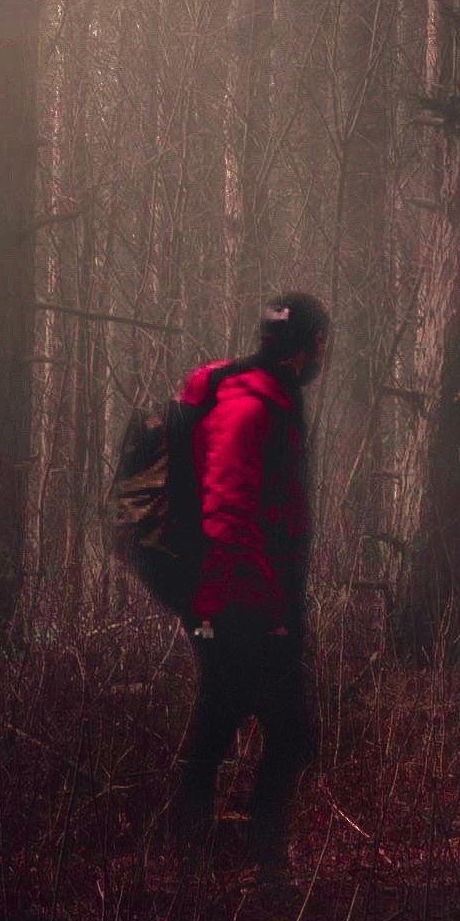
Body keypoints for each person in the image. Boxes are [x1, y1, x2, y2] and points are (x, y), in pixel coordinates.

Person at [168, 292, 329, 877]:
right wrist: (270, 614)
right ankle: (265, 868)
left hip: (236, 600)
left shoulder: (267, 397)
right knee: (290, 732)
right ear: (306, 346)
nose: (323, 357)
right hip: (238, 603)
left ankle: (192, 862)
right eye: (321, 344)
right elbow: (229, 518)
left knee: (221, 719)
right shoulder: (252, 406)